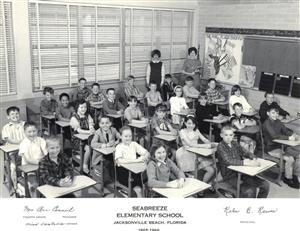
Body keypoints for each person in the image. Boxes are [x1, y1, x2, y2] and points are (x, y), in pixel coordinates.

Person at [217, 125, 270, 198]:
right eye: (226, 135)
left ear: (233, 136)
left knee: (265, 185)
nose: (228, 137)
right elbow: (228, 161)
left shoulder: (234, 143)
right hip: (230, 175)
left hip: (242, 172)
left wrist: (253, 157)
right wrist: (245, 162)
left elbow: (244, 152)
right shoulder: (220, 146)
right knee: (249, 190)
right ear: (221, 135)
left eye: (231, 135)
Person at [262, 107, 300, 188]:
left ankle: (295, 175)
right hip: (271, 148)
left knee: (298, 155)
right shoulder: (266, 123)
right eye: (273, 113)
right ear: (268, 113)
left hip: (281, 146)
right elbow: (274, 136)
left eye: (277, 113)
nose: (275, 115)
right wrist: (288, 138)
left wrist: (293, 134)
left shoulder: (278, 121)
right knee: (290, 159)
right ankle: (287, 178)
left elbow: (285, 130)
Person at [177, 115, 215, 185]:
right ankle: (200, 187)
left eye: (193, 124)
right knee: (194, 177)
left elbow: (204, 139)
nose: (191, 125)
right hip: (186, 154)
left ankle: (202, 187)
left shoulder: (196, 130)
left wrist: (211, 143)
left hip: (197, 153)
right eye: (189, 123)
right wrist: (205, 146)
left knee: (211, 170)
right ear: (185, 123)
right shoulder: (182, 131)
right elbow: (190, 144)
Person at [115, 126, 150, 197]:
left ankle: (143, 194)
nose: (128, 138)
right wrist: (137, 160)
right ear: (121, 137)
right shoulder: (119, 147)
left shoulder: (134, 144)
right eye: (126, 136)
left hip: (135, 170)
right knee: (138, 188)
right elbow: (119, 161)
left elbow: (146, 152)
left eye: (130, 136)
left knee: (147, 179)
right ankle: (138, 197)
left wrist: (145, 156)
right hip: (123, 172)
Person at [18, 121, 47, 197]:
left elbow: (46, 153)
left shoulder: (41, 140)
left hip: (42, 167)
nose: (32, 134)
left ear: (37, 130)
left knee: (50, 180)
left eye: (34, 131)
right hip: (29, 170)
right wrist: (41, 162)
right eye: (29, 132)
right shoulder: (23, 144)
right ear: (24, 132)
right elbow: (28, 159)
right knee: (34, 185)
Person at [1, 106, 26, 194]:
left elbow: (29, 135)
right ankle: (14, 186)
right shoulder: (6, 127)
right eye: (12, 114)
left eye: (17, 113)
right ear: (8, 116)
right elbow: (8, 139)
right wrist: (20, 142)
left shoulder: (24, 124)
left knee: (30, 163)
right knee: (13, 167)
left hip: (25, 150)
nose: (15, 115)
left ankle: (27, 181)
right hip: (12, 153)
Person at [70, 99, 95, 174]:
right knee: (89, 148)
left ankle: (94, 164)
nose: (84, 109)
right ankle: (85, 165)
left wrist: (91, 128)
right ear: (77, 108)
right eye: (81, 107)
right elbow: (79, 130)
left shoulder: (88, 115)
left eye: (85, 107)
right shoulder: (74, 118)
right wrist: (89, 132)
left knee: (96, 144)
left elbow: (91, 124)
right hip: (77, 140)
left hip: (88, 137)